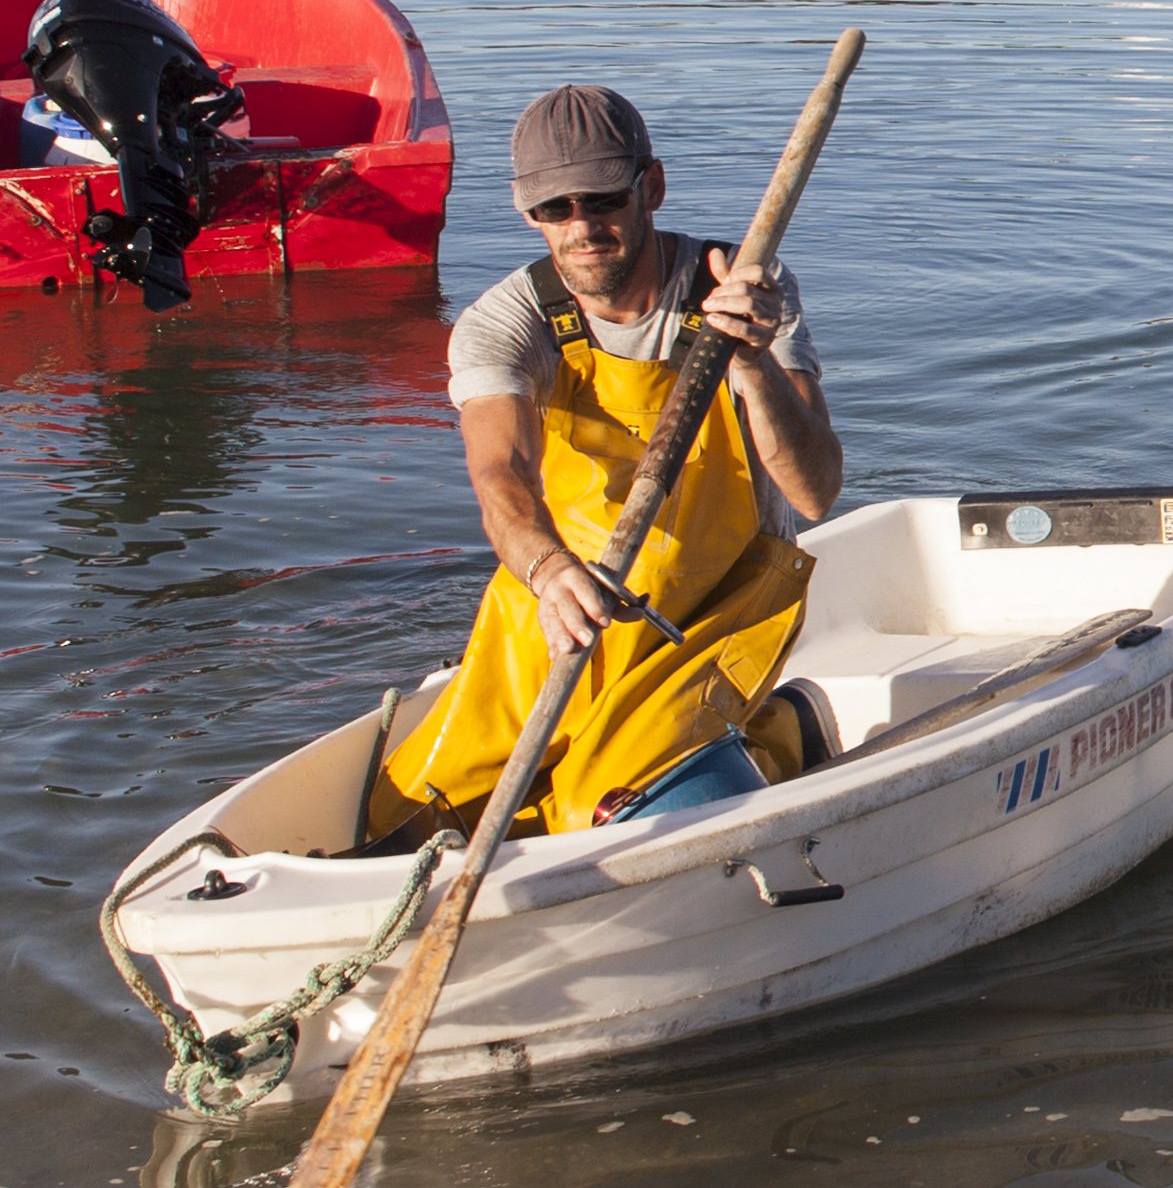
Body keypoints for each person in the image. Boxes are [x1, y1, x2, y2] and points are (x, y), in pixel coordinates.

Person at [363, 83, 847, 843]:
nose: (582, 226)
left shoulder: (744, 289)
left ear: (648, 187)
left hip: (715, 603)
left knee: (612, 804)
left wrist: (750, 363)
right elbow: (502, 479)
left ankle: (784, 735)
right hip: (562, 587)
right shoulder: (506, 322)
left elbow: (815, 493)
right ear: (528, 212)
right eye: (556, 208)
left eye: (601, 199)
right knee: (422, 811)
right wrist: (549, 571)